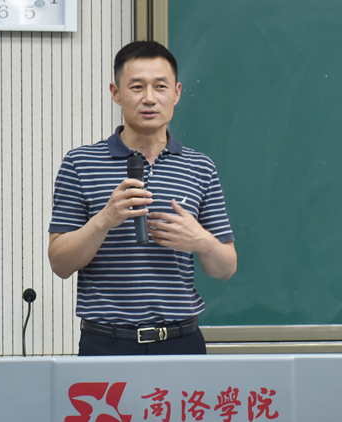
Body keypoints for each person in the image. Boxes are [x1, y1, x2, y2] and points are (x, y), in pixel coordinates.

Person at [48, 41, 237, 356]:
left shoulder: (200, 167)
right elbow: (60, 263)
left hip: (181, 342)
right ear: (116, 93)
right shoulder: (80, 164)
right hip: (107, 343)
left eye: (160, 86)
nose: (149, 98)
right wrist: (104, 220)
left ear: (176, 93)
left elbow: (226, 268)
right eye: (137, 87)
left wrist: (202, 241)